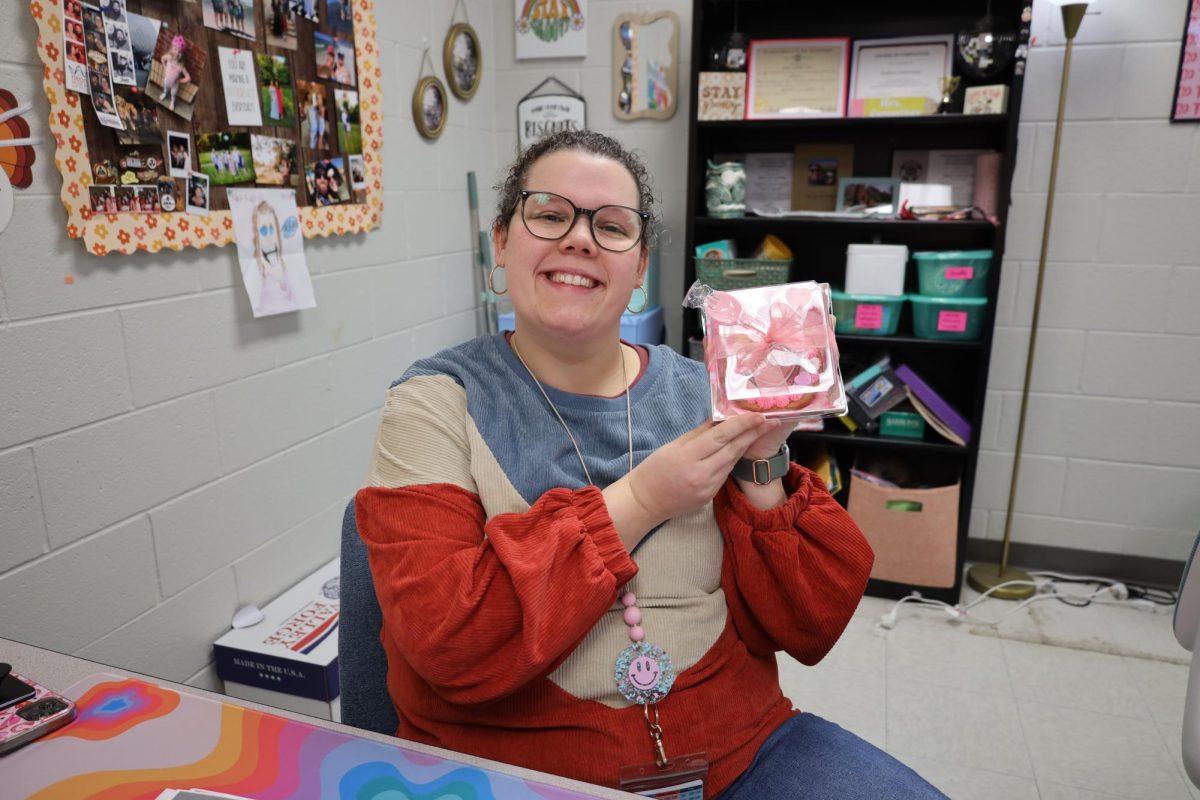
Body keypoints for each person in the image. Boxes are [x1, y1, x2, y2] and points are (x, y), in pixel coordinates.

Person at [353, 130, 946, 799]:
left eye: (612, 226)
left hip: (739, 753)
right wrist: (642, 501)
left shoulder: (707, 392)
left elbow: (807, 625)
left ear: (639, 267)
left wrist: (762, 463)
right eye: (550, 214)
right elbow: (448, 639)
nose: (579, 239)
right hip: (511, 772)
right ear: (500, 241)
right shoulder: (433, 404)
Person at [159, 35, 191, 112]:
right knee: (165, 88)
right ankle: (164, 94)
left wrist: (179, 81)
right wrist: (164, 67)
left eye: (180, 52)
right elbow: (162, 58)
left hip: (175, 84)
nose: (177, 52)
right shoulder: (169, 57)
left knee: (173, 94)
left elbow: (188, 78)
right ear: (172, 48)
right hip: (167, 79)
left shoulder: (181, 66)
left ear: (182, 54)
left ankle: (172, 102)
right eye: (175, 49)